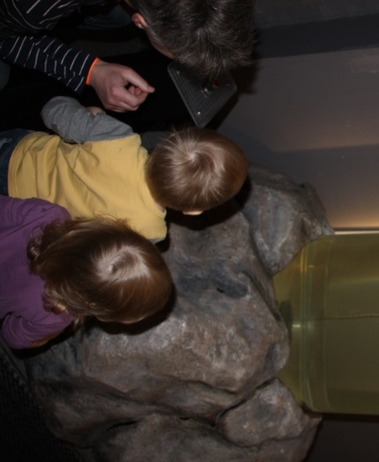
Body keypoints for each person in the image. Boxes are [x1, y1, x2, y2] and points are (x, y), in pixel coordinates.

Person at [1, 96, 249, 242]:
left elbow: (52, 109)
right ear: (193, 211)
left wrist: (90, 113)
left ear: (166, 141)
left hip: (15, 156)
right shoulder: (149, 233)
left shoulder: (117, 137)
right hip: (23, 223)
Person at [0, 0, 256, 113]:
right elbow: (5, 40)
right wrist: (89, 70)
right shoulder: (31, 9)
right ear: (141, 22)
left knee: (116, 18)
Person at [0, 195, 173, 350]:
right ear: (95, 306)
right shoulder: (53, 314)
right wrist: (50, 333)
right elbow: (13, 337)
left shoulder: (47, 214)